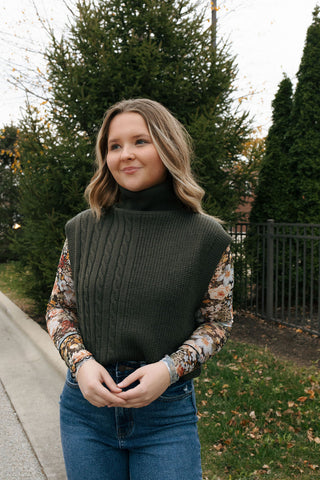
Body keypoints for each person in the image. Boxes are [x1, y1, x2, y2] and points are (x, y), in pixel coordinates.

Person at [46, 98, 233, 480]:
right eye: (114, 146)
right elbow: (59, 308)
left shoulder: (207, 237)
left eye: (140, 142)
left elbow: (217, 324)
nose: (125, 155)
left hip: (165, 414)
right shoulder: (82, 230)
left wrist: (169, 369)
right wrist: (80, 364)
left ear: (167, 146)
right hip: (87, 413)